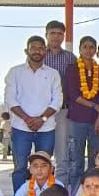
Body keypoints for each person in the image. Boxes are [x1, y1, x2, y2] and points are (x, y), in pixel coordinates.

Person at [4, 35, 63, 194]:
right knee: (20, 168)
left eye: (41, 48)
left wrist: (41, 119)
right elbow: (10, 99)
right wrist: (27, 119)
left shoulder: (53, 74)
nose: (37, 51)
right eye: (34, 48)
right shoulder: (15, 72)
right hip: (21, 127)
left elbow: (58, 100)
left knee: (44, 168)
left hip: (46, 128)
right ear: (26, 50)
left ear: (46, 51)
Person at [62, 35, 99, 194]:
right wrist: (94, 106)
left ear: (95, 50)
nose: (88, 50)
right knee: (76, 160)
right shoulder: (72, 69)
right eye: (85, 47)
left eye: (91, 47)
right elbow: (73, 95)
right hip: (77, 120)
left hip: (96, 120)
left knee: (96, 160)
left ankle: (94, 193)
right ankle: (76, 195)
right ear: (80, 49)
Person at [43, 21, 77, 186]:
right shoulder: (39, 55)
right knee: (41, 153)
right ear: (46, 35)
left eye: (59, 34)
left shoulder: (70, 58)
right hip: (40, 111)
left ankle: (60, 190)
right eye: (52, 33)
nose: (56, 37)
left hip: (62, 111)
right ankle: (40, 191)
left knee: (62, 153)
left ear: (63, 36)